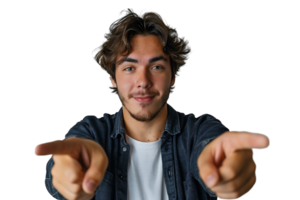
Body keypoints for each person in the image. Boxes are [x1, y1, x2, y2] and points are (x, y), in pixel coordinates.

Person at [32, 7, 271, 200]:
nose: (143, 82)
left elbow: (212, 147)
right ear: (112, 78)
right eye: (129, 68)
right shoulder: (91, 132)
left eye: (156, 67)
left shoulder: (199, 131)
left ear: (174, 76)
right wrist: (65, 176)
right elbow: (71, 156)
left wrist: (224, 171)